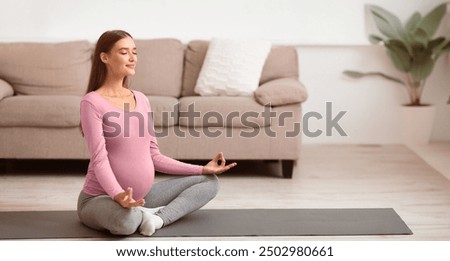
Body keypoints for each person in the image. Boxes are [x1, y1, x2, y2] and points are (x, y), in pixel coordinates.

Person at [77, 30, 236, 236]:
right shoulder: (92, 102)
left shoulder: (141, 99)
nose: (133, 58)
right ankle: (141, 215)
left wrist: (202, 169)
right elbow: (99, 160)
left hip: (143, 197)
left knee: (209, 183)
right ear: (105, 57)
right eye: (124, 52)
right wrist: (117, 195)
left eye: (135, 52)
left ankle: (157, 219)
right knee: (125, 222)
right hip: (101, 198)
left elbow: (154, 156)